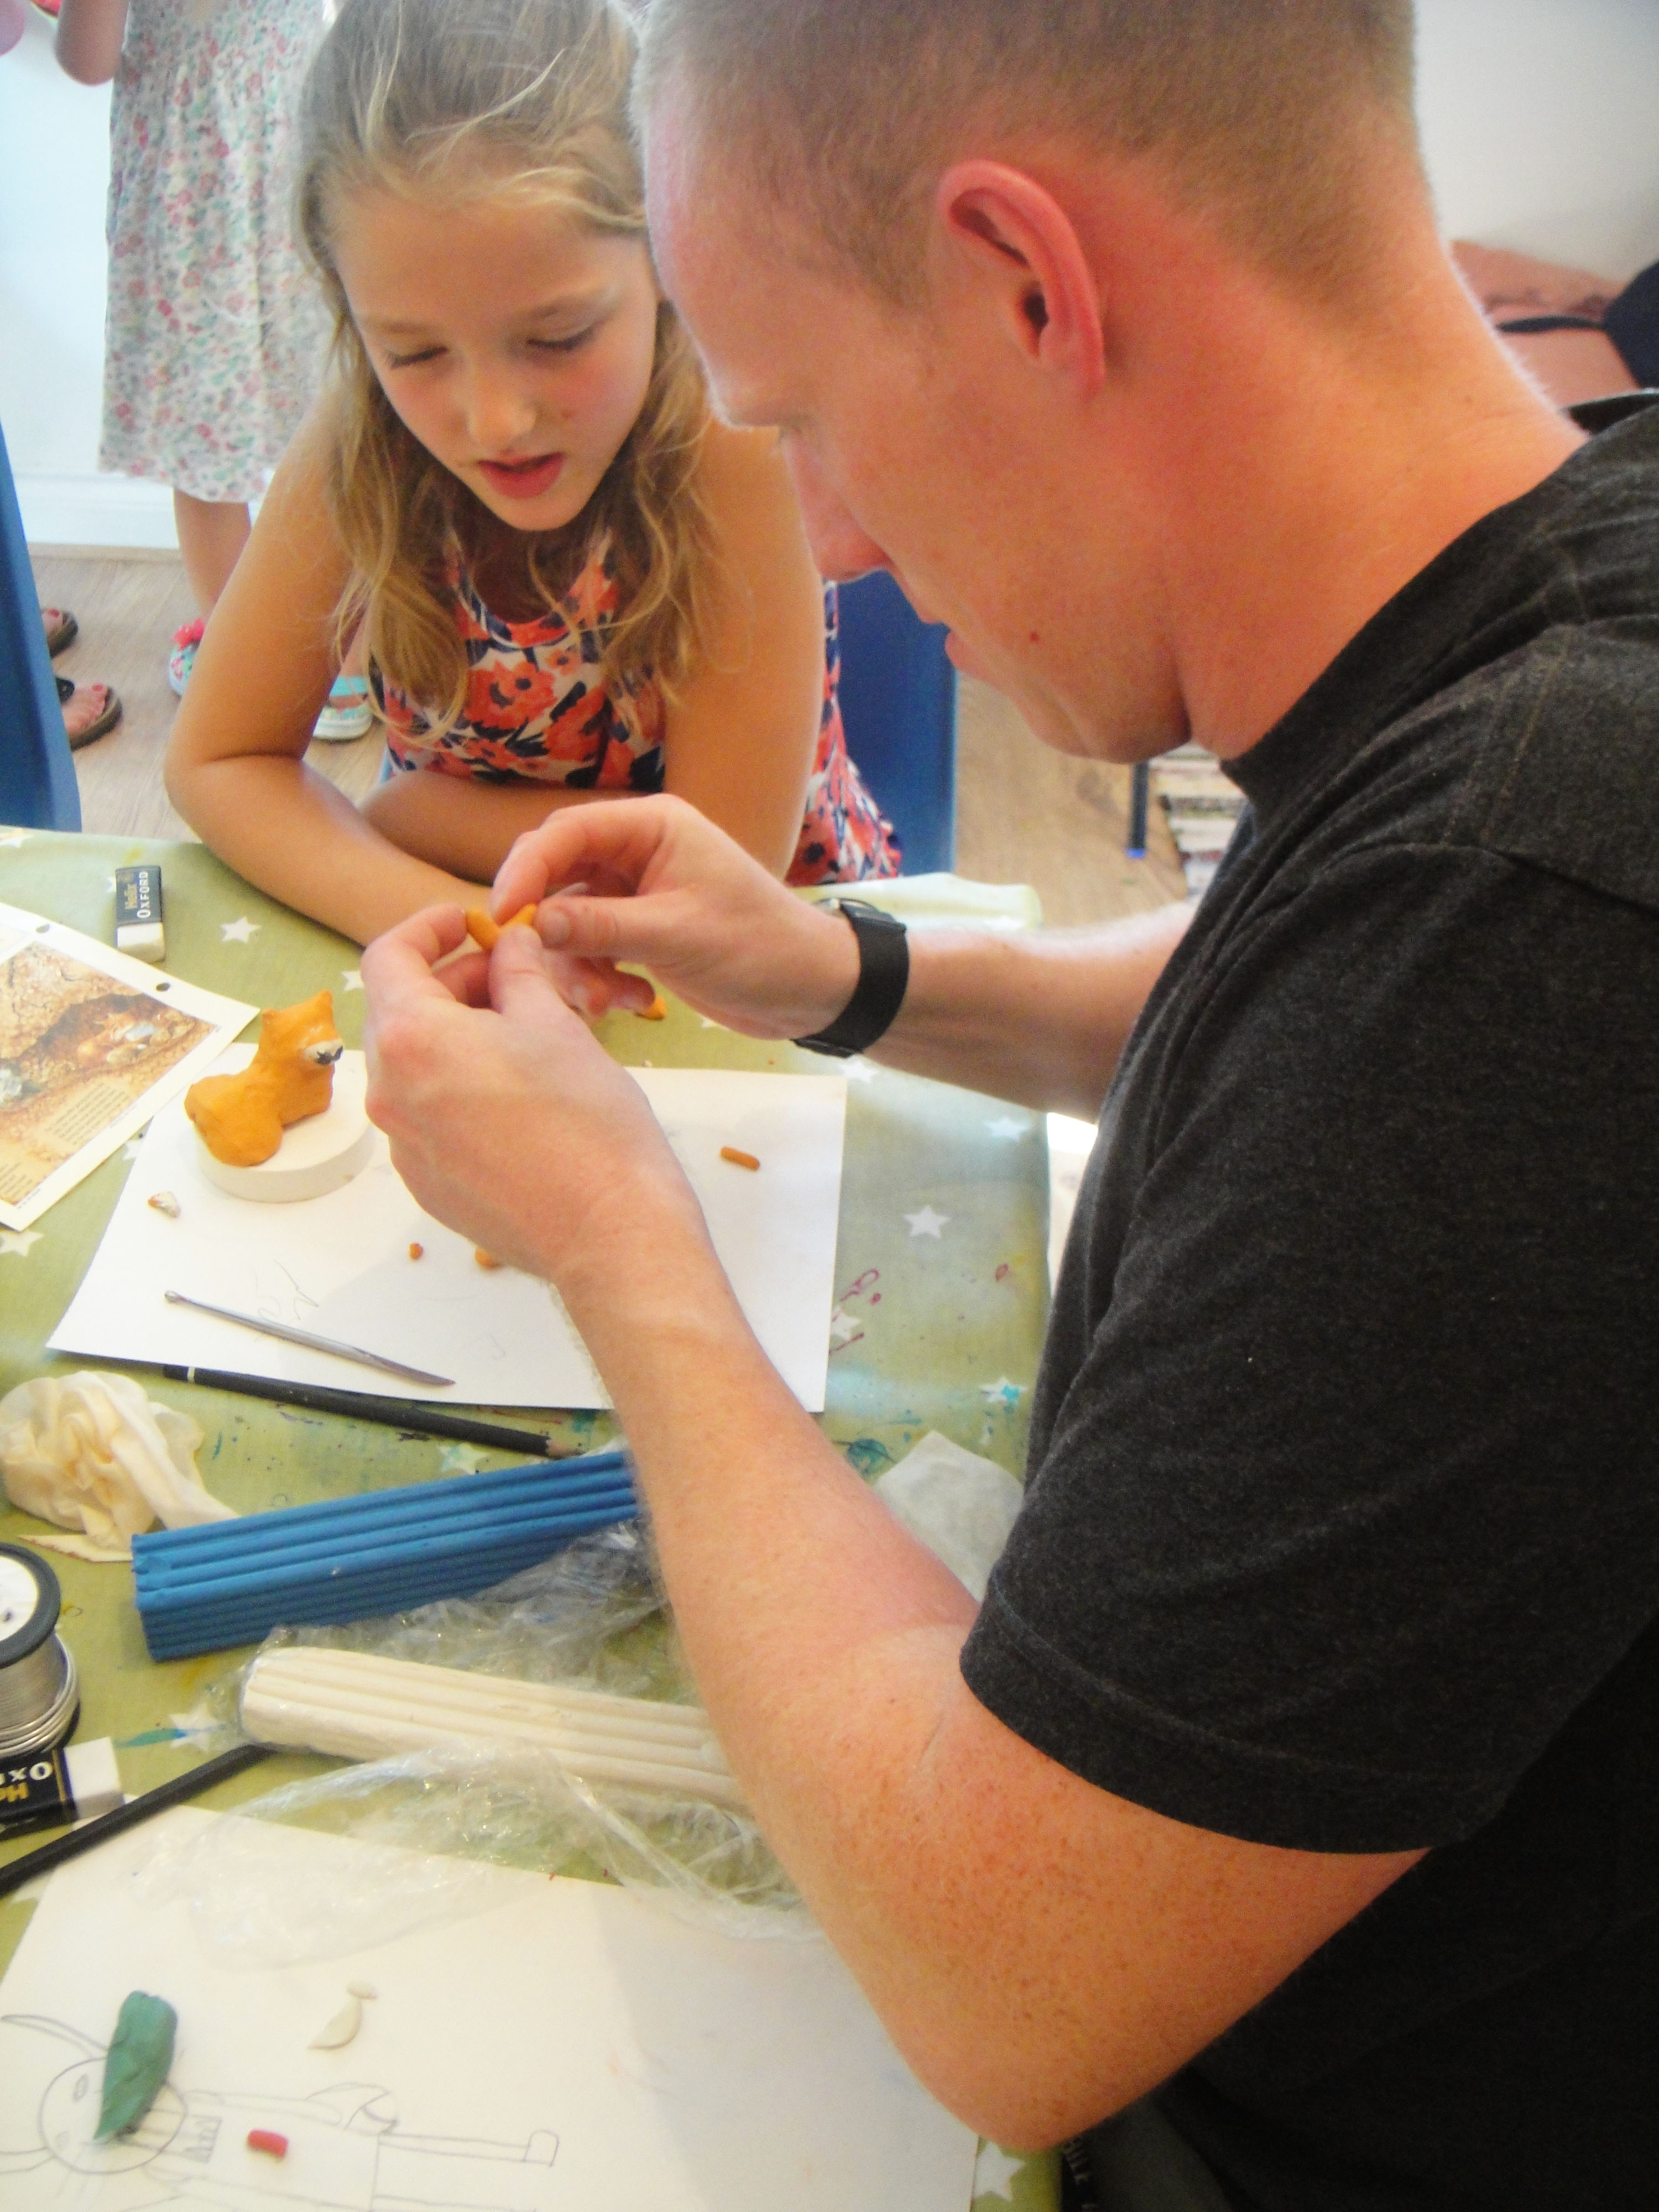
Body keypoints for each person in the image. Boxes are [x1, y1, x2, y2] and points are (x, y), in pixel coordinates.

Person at [358, 2, 1659, 2205]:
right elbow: (1287, 979)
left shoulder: (1534, 911)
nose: (835, 541)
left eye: (808, 419)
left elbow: (1004, 1981)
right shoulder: (1560, 584)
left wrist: (612, 1234)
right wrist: (840, 970)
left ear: (1030, 283)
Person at [163, 0, 895, 948]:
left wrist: (421, 816)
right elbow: (217, 761)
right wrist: (458, 923)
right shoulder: (364, 434)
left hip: (767, 956)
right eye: (416, 353)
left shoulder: (728, 443)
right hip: (489, 915)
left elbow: (722, 859)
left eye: (559, 337)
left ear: (668, 254)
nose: (495, 421)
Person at [53, 0, 330, 700]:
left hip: (192, 181)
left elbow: (88, 59)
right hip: (306, 138)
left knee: (204, 441)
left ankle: (249, 674)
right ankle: (346, 674)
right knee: (328, 422)